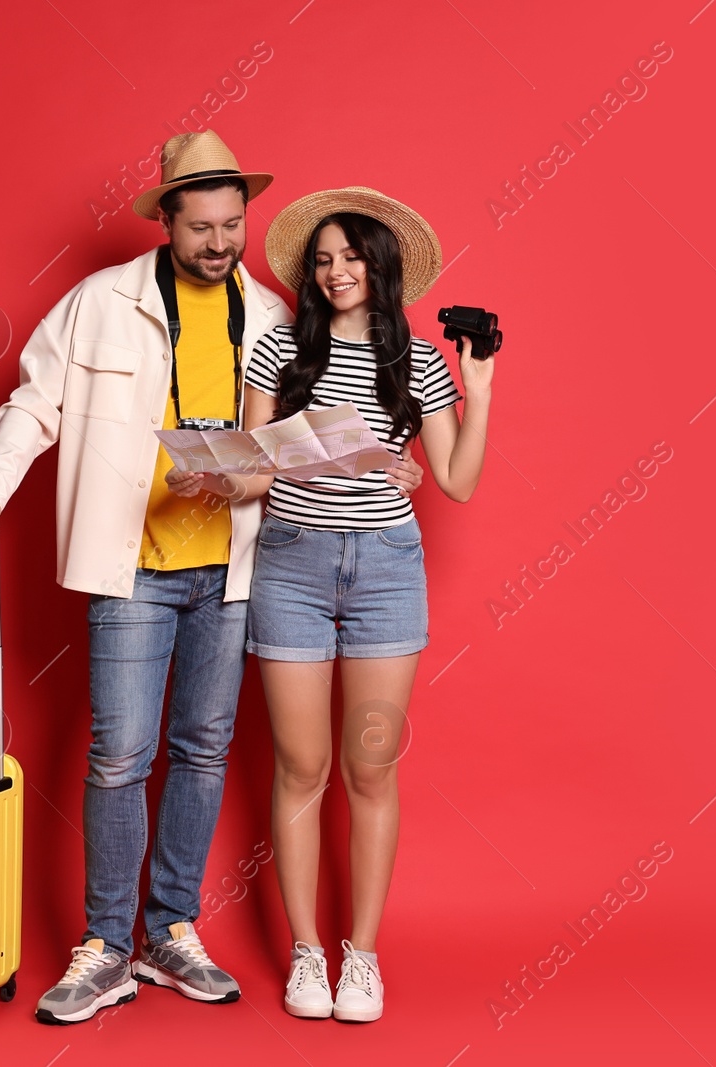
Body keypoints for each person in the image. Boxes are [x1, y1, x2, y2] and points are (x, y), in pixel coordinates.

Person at [0, 139, 424, 1026]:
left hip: (240, 569)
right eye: (201, 227)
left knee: (204, 752)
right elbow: (34, 396)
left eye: (233, 225)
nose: (219, 243)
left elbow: (313, 436)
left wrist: (383, 465)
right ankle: (104, 946)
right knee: (120, 753)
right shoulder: (101, 303)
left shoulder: (279, 315)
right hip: (131, 563)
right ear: (164, 222)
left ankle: (169, 928)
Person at [174, 186, 495, 1022]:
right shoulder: (277, 350)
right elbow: (253, 467)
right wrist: (208, 471)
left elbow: (455, 481)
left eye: (351, 256)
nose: (335, 271)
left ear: (381, 265)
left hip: (387, 569)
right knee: (301, 767)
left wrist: (479, 383)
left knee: (369, 768)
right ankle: (308, 955)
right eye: (322, 260)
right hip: (293, 568)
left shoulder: (420, 362)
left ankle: (363, 957)